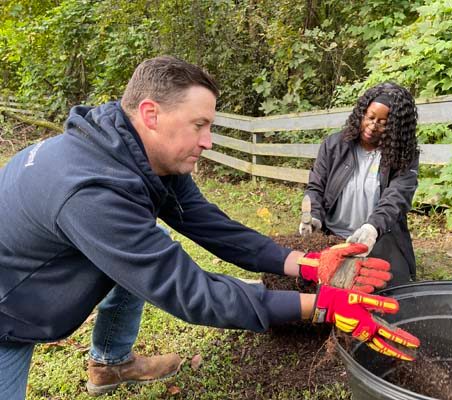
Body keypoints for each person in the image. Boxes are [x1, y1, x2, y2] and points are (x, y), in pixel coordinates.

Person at [0, 57, 419, 399]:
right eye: (199, 125)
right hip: (9, 313)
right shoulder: (93, 192)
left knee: (156, 238)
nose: (209, 141)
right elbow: (192, 293)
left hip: (43, 261)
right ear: (151, 114)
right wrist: (326, 306)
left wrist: (307, 265)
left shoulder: (131, 149)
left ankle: (110, 362)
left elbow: (211, 226)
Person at [299, 82, 419, 287]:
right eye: (370, 117)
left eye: (383, 122)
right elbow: (315, 188)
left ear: (396, 128)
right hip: (333, 237)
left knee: (387, 289)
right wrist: (315, 216)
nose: (373, 126)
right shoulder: (334, 145)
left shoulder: (403, 157)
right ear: (361, 113)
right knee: (310, 281)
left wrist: (373, 228)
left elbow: (397, 197)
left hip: (377, 238)